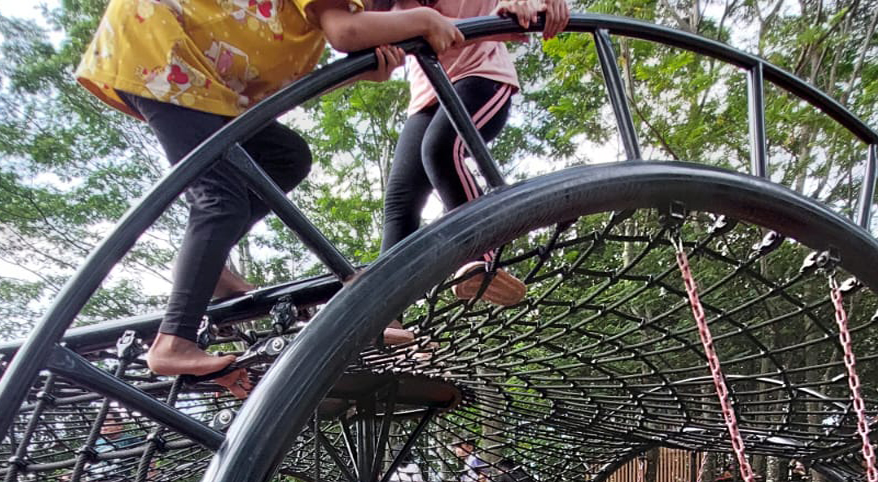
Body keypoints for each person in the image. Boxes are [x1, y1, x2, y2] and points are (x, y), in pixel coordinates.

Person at [76, 0, 462, 389]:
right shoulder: (333, 17)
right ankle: (174, 339)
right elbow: (346, 33)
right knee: (219, 201)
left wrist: (360, 73)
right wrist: (426, 19)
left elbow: (288, 91)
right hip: (166, 49)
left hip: (203, 77)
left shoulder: (298, 28)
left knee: (285, 157)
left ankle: (212, 270)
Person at [378, 0, 568, 308]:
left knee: (441, 149)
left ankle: (480, 259)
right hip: (428, 94)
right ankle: (384, 316)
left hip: (480, 74)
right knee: (401, 198)